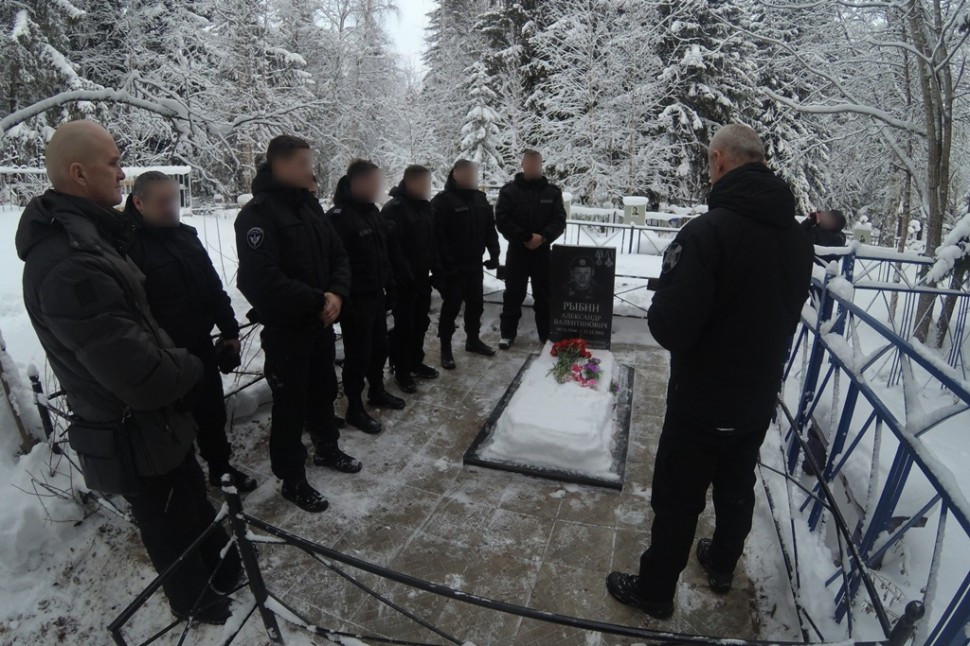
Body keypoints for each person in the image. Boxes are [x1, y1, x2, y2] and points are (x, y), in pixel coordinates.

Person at [16, 121, 240, 624]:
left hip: (156, 421)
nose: (123, 173)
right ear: (77, 173)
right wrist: (193, 364)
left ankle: (221, 570)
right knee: (166, 524)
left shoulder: (93, 241)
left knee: (188, 501)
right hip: (131, 427)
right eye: (113, 163)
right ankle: (196, 602)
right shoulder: (68, 263)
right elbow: (139, 373)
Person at [606, 124, 814, 619]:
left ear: (720, 160)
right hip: (758, 392)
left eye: (708, 160)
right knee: (737, 482)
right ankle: (722, 564)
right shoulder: (796, 236)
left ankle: (655, 591)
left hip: (702, 397)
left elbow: (672, 328)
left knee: (678, 498)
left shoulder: (708, 231)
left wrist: (665, 302)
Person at [236, 135, 361, 515]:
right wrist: (318, 300)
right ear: (284, 165)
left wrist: (337, 294)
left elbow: (338, 255)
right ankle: (292, 477)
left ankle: (326, 447)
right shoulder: (256, 216)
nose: (312, 171)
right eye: (305, 163)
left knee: (323, 389)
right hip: (288, 330)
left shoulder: (309, 208)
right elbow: (260, 279)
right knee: (289, 406)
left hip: (320, 324)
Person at [124, 172, 257, 493]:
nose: (172, 208)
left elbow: (212, 286)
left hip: (199, 346)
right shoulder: (127, 247)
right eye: (163, 202)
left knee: (211, 412)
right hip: (163, 357)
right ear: (139, 203)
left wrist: (229, 330)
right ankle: (185, 487)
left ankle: (220, 469)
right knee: (174, 423)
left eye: (175, 200)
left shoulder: (185, 235)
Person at [328, 160, 405, 434]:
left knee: (379, 348)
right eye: (373, 183)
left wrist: (391, 286)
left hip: (375, 295)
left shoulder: (372, 212)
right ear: (357, 183)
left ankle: (377, 391)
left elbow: (383, 256)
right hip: (354, 300)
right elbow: (336, 263)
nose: (378, 188)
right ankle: (354, 407)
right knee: (357, 355)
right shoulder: (338, 217)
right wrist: (343, 297)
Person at [431, 159, 501, 369]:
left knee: (476, 305)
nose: (473, 179)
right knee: (451, 309)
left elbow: (490, 228)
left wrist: (495, 253)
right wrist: (443, 267)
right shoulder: (443, 201)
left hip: (474, 265)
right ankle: (445, 349)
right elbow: (437, 236)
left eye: (474, 175)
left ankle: (473, 340)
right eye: (468, 175)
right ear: (456, 175)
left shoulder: (480, 199)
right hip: (453, 268)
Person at [495, 149, 567, 349]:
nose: (534, 168)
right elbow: (502, 219)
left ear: (541, 165)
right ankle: (507, 334)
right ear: (523, 165)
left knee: (544, 295)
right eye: (530, 164)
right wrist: (525, 237)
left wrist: (543, 237)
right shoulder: (509, 191)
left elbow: (559, 220)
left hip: (543, 251)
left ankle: (546, 335)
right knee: (513, 293)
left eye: (538, 164)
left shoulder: (552, 192)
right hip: (518, 250)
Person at [382, 165, 440, 394]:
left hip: (421, 278)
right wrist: (405, 277)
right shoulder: (393, 209)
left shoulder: (425, 208)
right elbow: (392, 250)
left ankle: (416, 361)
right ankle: (401, 368)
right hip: (402, 281)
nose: (427, 189)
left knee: (420, 323)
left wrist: (436, 269)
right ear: (410, 183)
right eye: (423, 184)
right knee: (404, 326)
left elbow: (431, 242)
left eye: (428, 184)